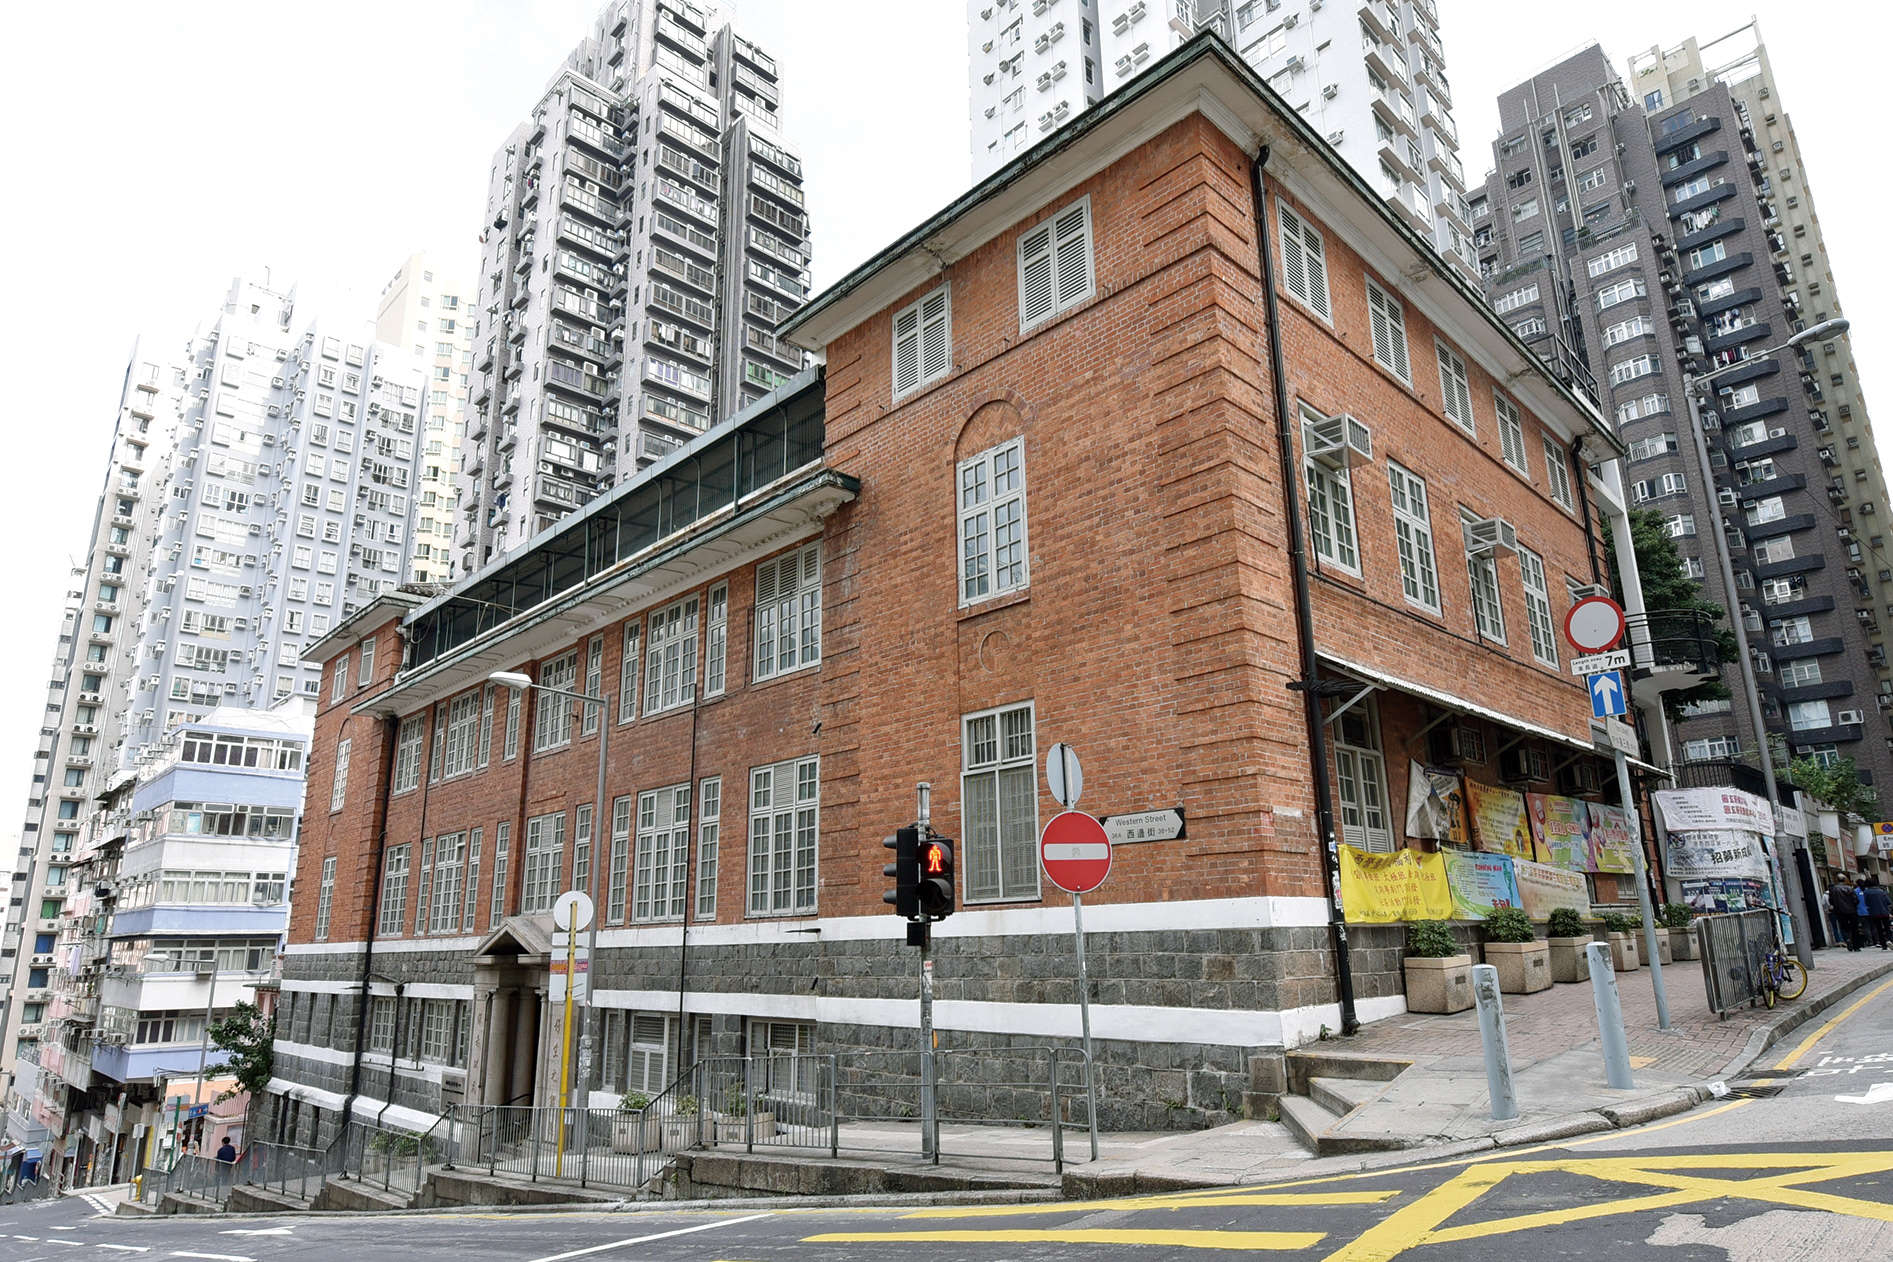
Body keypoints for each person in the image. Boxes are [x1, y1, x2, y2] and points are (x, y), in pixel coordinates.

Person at [1828, 878, 1860, 951]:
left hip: (1840, 912)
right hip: (1851, 911)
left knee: (1844, 927)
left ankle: (1847, 939)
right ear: (1844, 881)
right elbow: (1855, 900)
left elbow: (1831, 901)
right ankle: (1856, 946)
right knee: (1854, 928)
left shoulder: (1833, 890)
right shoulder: (1849, 888)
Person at [1865, 878, 1892, 951]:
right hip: (1884, 912)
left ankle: (1883, 945)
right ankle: (1889, 940)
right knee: (1887, 928)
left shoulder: (1867, 892)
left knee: (1879, 928)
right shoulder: (1882, 891)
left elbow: (1867, 903)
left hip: (1874, 913)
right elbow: (1888, 902)